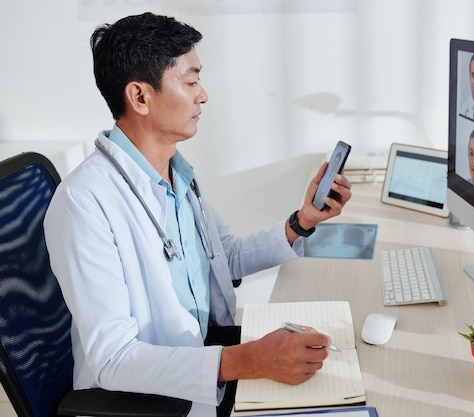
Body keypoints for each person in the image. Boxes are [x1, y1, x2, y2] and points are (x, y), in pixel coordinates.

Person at [42, 12, 352, 417]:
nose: (203, 95)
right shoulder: (84, 202)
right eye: (190, 81)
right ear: (140, 97)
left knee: (342, 372)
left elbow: (226, 257)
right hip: (154, 401)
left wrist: (302, 222)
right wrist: (251, 359)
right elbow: (113, 359)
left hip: (209, 360)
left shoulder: (176, 172)